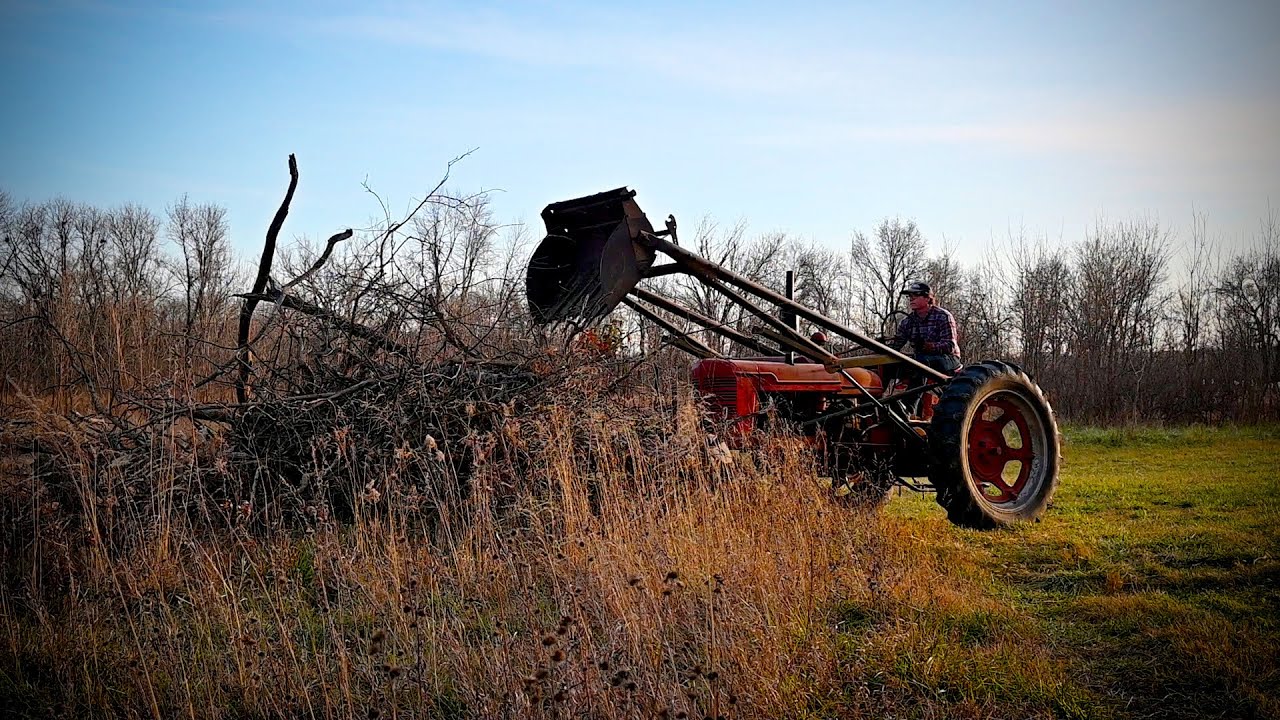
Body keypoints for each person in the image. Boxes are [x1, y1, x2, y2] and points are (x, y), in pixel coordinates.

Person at [887, 281, 962, 376]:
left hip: (948, 359)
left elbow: (950, 346)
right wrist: (881, 346)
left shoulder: (943, 316)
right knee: (887, 364)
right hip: (921, 359)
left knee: (919, 363)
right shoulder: (907, 322)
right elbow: (896, 345)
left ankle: (915, 389)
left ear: (927, 298)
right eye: (910, 296)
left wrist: (929, 346)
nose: (911, 299)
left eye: (916, 295)